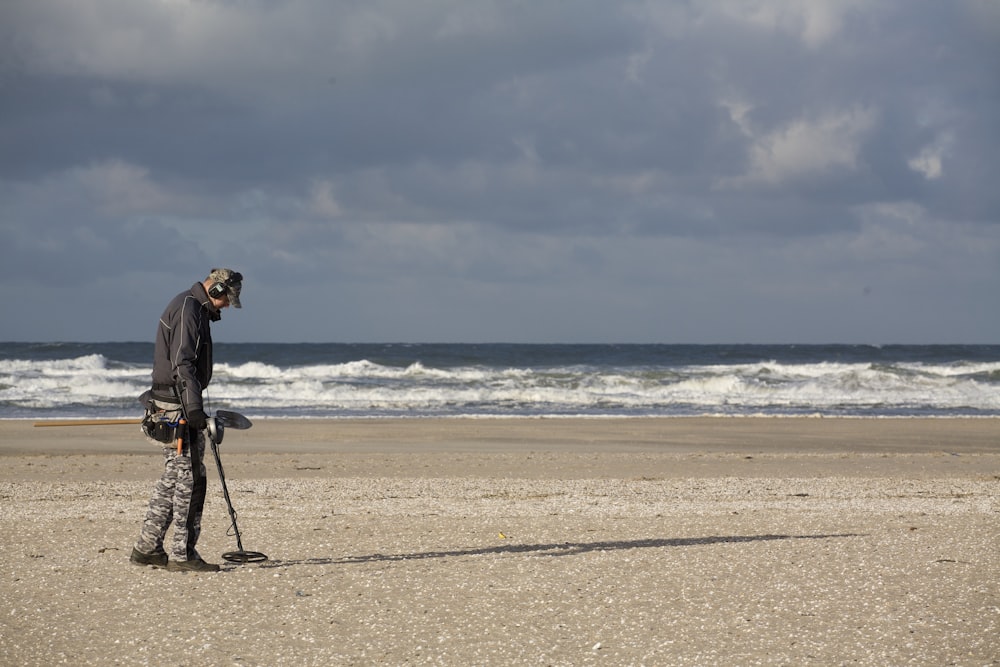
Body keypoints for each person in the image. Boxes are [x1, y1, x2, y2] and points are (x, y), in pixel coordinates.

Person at [130, 268, 243, 572]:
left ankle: (147, 548)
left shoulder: (189, 306)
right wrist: (193, 410)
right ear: (216, 290)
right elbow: (184, 363)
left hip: (169, 403)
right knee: (192, 478)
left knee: (174, 476)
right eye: (227, 299)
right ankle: (183, 554)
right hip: (176, 407)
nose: (227, 306)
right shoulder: (189, 309)